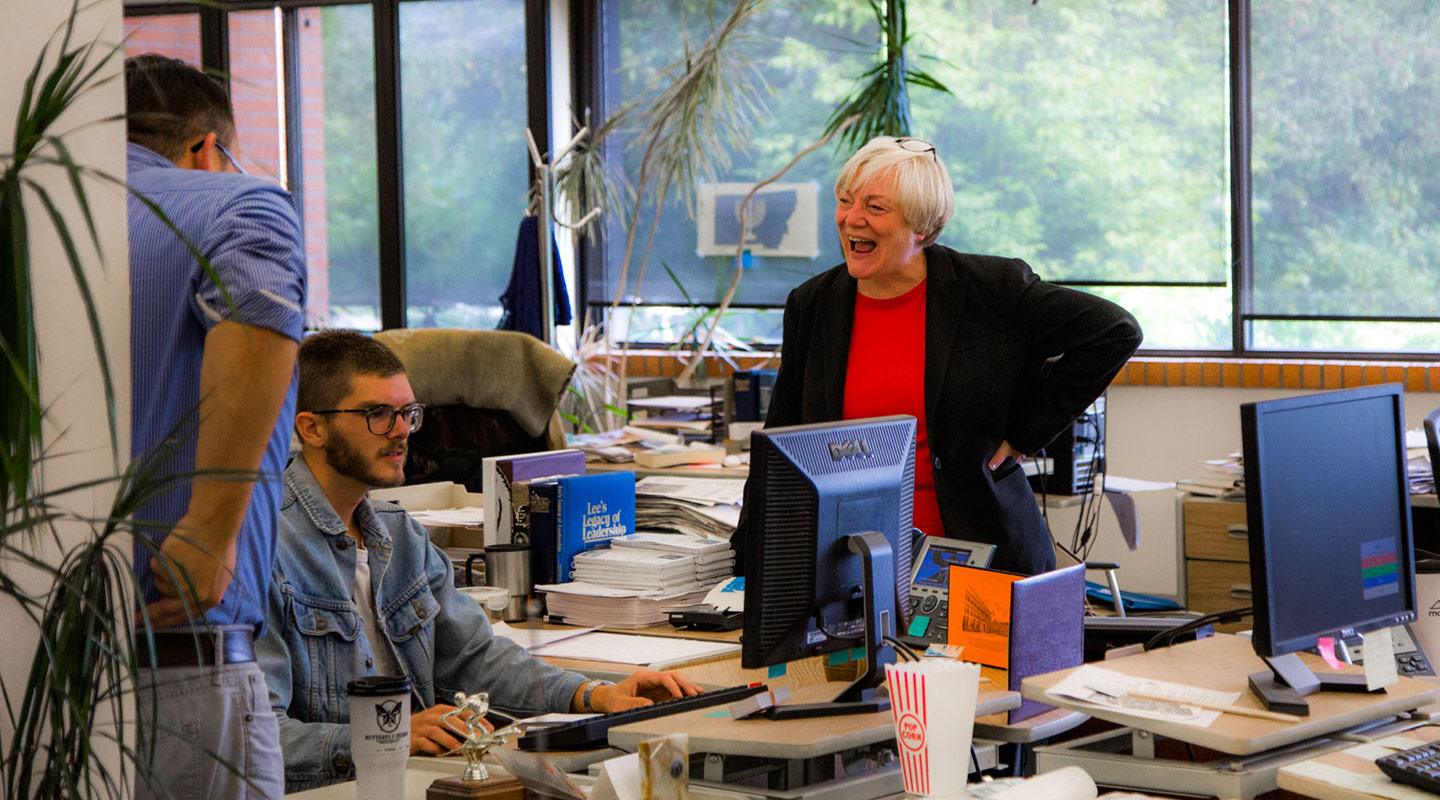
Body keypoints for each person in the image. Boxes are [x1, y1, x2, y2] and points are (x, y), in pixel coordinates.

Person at [257, 330, 702, 792]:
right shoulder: (260, 549)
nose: (402, 430)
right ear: (311, 428)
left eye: (408, 412)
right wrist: (387, 739)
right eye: (378, 414)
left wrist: (592, 693)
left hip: (419, 779)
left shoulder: (399, 535)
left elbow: (474, 658)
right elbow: (254, 736)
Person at [738, 136, 1142, 577]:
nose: (852, 219)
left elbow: (1114, 331)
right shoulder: (814, 303)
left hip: (981, 556)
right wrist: (743, 563)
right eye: (845, 201)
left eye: (875, 208)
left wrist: (1027, 433)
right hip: (855, 565)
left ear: (923, 228)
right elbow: (780, 439)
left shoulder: (992, 289)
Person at [125, 54, 307, 799]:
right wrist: (209, 527)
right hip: (181, 658)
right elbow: (260, 316)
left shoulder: (32, 216)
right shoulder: (235, 205)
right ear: (206, 150)